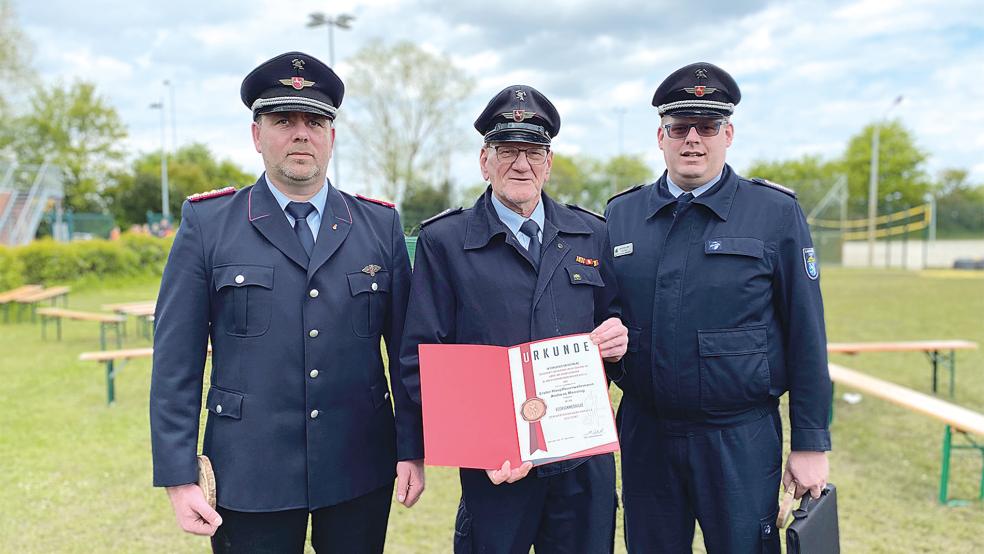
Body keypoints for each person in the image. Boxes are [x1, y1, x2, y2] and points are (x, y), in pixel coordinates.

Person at [149, 51, 424, 554]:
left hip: (358, 466)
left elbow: (406, 350)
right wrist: (177, 475)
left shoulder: (378, 225)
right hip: (249, 471)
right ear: (257, 135)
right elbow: (175, 361)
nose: (302, 133)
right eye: (283, 121)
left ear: (332, 137)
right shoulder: (208, 224)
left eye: (315, 121)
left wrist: (413, 449)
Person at [605, 62, 831, 553]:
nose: (692, 139)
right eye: (679, 128)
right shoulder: (621, 215)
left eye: (706, 127)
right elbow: (599, 318)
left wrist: (811, 442)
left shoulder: (774, 213)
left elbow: (806, 333)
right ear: (659, 136)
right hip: (647, 432)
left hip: (738, 438)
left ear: (727, 133)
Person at [400, 85, 628, 554]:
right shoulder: (445, 241)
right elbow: (422, 360)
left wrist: (620, 340)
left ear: (549, 162)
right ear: (485, 160)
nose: (521, 164)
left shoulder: (592, 234)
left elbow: (618, 326)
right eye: (507, 151)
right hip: (496, 470)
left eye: (534, 151)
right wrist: (482, 443)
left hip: (582, 463)